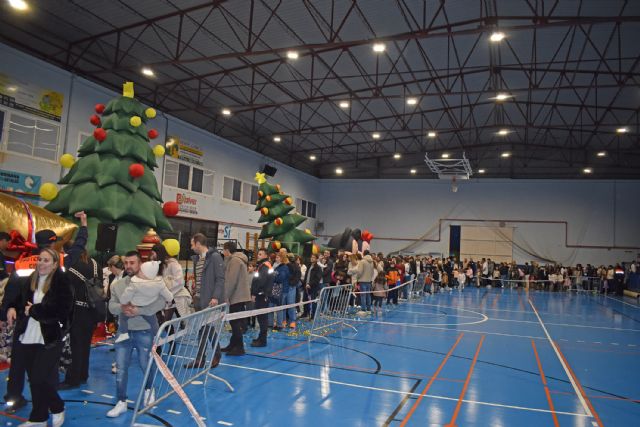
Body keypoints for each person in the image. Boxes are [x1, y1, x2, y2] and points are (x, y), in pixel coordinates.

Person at [5, 248, 72, 427]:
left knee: (39, 378)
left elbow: (62, 311)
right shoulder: (31, 280)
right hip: (28, 336)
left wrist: (35, 310)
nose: (41, 263)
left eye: (46, 260)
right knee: (34, 380)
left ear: (55, 264)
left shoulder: (62, 282)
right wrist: (12, 307)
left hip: (50, 337)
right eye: (40, 260)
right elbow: (19, 300)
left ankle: (57, 407)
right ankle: (38, 417)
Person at [106, 251, 165, 418]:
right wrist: (122, 308)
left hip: (145, 330)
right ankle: (121, 401)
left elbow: (161, 303)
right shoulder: (117, 285)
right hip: (123, 333)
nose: (128, 266)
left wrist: (139, 310)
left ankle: (149, 390)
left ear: (140, 264)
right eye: (126, 263)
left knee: (146, 364)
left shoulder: (152, 283)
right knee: (121, 368)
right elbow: (111, 306)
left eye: (132, 263)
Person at [59, 247, 103, 390]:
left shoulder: (70, 267)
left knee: (75, 346)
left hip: (77, 310)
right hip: (93, 309)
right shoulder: (96, 264)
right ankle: (83, 375)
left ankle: (73, 379)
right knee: (85, 344)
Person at [185, 233, 225, 369]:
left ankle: (201, 358)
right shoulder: (197, 259)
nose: (191, 247)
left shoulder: (215, 257)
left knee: (205, 328)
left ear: (198, 244)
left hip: (210, 301)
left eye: (192, 244)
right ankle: (210, 355)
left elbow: (220, 279)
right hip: (199, 300)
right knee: (205, 328)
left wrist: (215, 297)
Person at [115, 260, 173, 343]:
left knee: (123, 317)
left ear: (146, 273)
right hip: (148, 307)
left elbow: (127, 295)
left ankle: (124, 334)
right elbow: (168, 296)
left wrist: (123, 302)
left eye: (141, 271)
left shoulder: (135, 283)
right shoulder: (159, 283)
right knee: (153, 322)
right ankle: (156, 336)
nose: (139, 272)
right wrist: (169, 299)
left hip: (133, 306)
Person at [220, 242, 250, 356]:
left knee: (234, 322)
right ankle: (233, 345)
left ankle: (239, 347)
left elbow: (231, 281)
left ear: (227, 250)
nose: (223, 252)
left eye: (223, 250)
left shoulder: (235, 261)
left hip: (237, 296)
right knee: (235, 321)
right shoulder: (236, 260)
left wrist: (226, 296)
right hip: (239, 295)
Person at [250, 249, 274, 347]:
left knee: (262, 318)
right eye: (258, 254)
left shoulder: (265, 266)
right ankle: (261, 337)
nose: (258, 256)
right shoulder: (262, 266)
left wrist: (254, 293)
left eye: (260, 254)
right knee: (261, 318)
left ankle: (262, 340)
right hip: (262, 294)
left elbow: (260, 282)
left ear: (265, 255)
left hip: (262, 295)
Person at [304, 254, 323, 319]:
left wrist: (310, 284)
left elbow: (317, 278)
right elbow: (306, 276)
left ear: (317, 259)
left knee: (313, 301)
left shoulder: (318, 268)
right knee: (305, 300)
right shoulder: (309, 266)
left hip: (313, 287)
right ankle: (305, 313)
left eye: (314, 257)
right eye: (311, 257)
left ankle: (313, 315)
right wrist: (305, 284)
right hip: (306, 286)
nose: (312, 258)